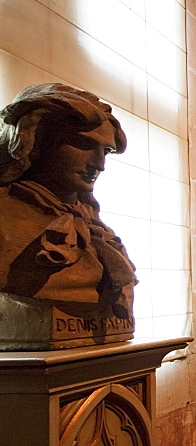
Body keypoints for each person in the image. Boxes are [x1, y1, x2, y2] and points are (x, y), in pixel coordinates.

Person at [0, 83, 137, 323]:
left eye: (105, 151)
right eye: (84, 145)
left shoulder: (97, 228)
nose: (99, 164)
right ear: (35, 141)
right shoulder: (5, 218)